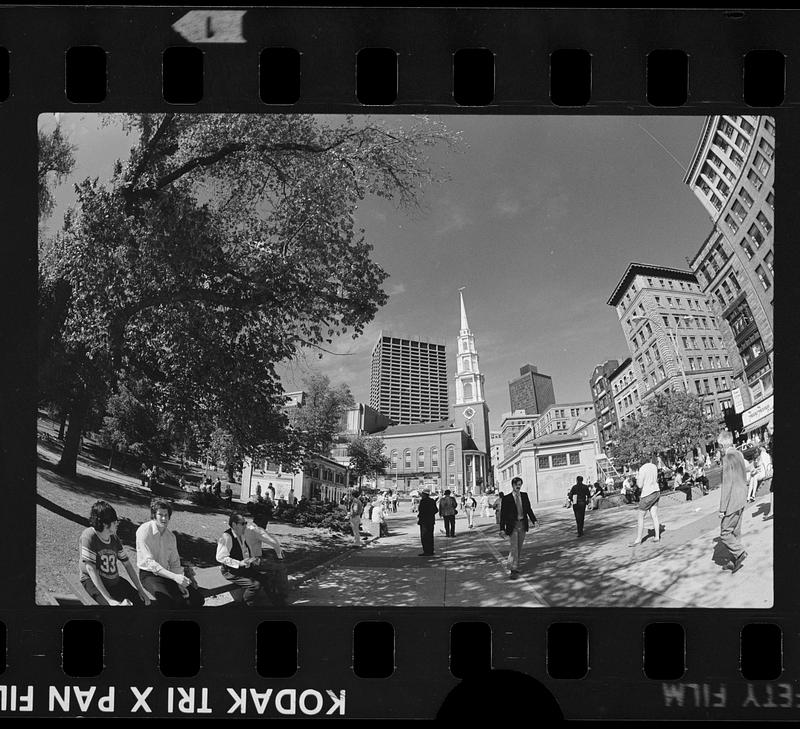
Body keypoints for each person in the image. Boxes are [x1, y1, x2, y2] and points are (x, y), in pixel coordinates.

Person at [135, 498, 205, 608]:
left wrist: (179, 582)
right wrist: (175, 578)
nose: (163, 518)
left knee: (198, 599)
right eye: (160, 515)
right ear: (154, 515)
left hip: (168, 574)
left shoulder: (171, 537)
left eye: (166, 515)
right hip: (149, 575)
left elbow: (175, 563)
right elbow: (150, 563)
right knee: (169, 602)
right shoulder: (144, 530)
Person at [79, 501, 150, 606]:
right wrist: (109, 599)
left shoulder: (114, 538)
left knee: (143, 602)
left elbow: (127, 565)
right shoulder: (89, 536)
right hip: (93, 582)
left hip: (114, 582)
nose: (117, 524)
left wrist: (140, 589)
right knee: (116, 610)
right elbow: (91, 569)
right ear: (105, 524)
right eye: (115, 522)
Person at [216, 513, 270, 607]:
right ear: (234, 525)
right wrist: (238, 563)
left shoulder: (242, 534)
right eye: (242, 523)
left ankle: (275, 603)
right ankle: (245, 606)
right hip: (231, 572)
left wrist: (253, 559)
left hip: (244, 569)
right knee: (255, 585)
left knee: (265, 578)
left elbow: (245, 550)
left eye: (246, 523)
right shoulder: (227, 537)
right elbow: (220, 557)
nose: (245, 526)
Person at [717, 430, 749, 572]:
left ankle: (740, 553)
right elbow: (744, 474)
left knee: (725, 533)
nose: (719, 448)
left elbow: (727, 484)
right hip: (742, 496)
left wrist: (722, 509)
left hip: (732, 501)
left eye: (719, 446)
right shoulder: (739, 454)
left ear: (722, 444)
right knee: (736, 531)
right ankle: (733, 561)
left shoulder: (727, 458)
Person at [499, 478, 537, 579]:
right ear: (513, 485)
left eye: (520, 484)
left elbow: (528, 509)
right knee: (514, 547)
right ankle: (513, 569)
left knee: (519, 547)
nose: (518, 486)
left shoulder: (524, 496)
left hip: (522, 525)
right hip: (513, 525)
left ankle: (514, 566)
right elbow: (503, 515)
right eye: (516, 484)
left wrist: (534, 521)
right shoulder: (507, 498)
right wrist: (502, 528)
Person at [629, 456, 661, 547]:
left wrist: (636, 479)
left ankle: (638, 539)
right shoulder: (654, 466)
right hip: (656, 491)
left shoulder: (642, 469)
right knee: (654, 515)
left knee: (640, 516)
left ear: (640, 462)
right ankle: (657, 536)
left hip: (647, 494)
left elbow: (639, 485)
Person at [417, 488, 438, 556]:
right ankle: (431, 550)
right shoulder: (432, 501)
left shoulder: (423, 501)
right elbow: (436, 510)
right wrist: (431, 514)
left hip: (424, 521)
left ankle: (426, 551)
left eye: (422, 494)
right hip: (431, 521)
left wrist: (420, 517)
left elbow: (421, 511)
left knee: (424, 536)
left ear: (424, 494)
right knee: (430, 536)